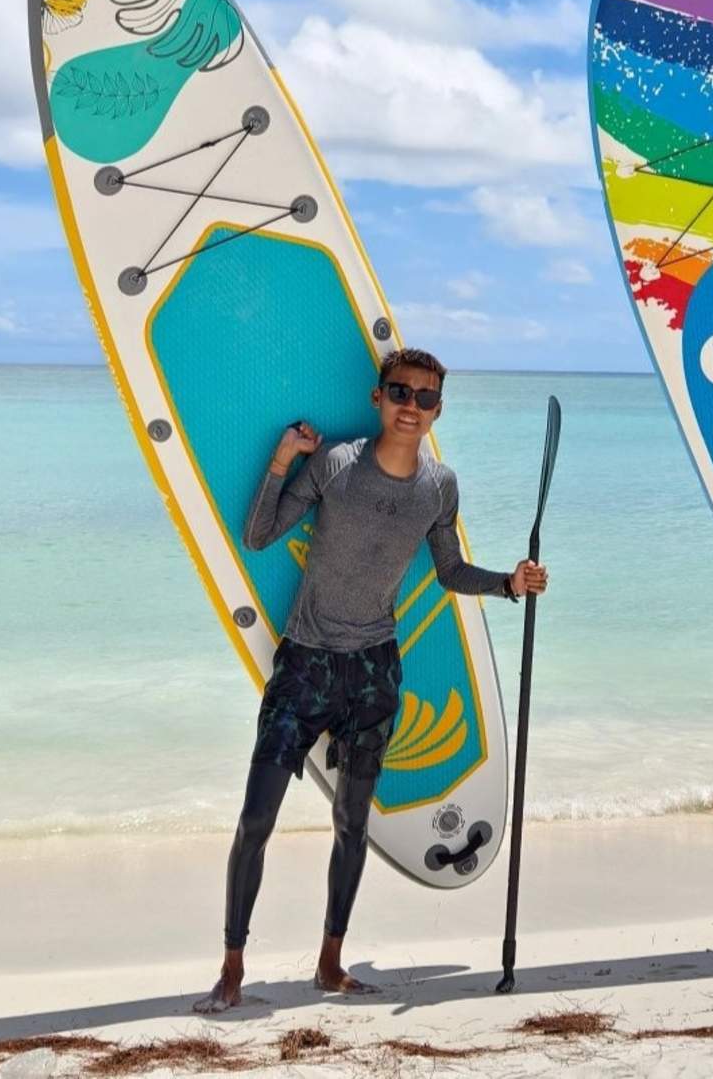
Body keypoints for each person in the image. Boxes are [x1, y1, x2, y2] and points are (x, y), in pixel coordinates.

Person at [195, 348, 548, 1010]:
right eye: (399, 392)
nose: (410, 405)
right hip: (303, 665)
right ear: (377, 397)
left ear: (437, 409)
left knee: (352, 821)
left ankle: (330, 963)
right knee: (254, 820)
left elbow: (447, 571)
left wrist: (507, 582)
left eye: (423, 397)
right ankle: (231, 967)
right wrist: (282, 459)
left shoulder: (438, 486)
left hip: (372, 673)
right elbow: (258, 533)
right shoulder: (335, 465)